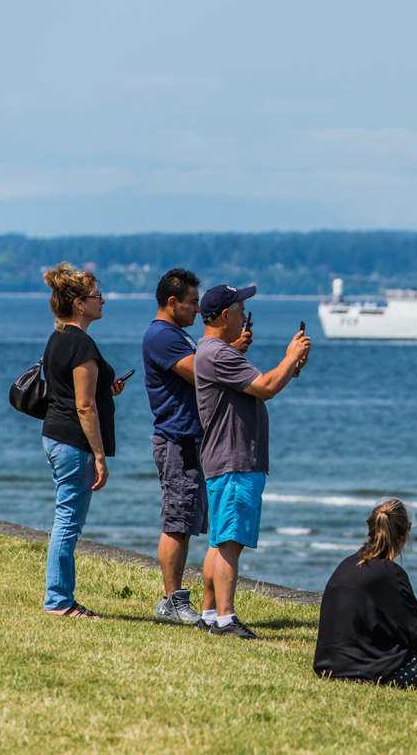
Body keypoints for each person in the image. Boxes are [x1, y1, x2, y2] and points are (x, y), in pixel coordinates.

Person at [195, 284, 310, 639]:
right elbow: (267, 387)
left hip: (227, 459)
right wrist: (291, 357)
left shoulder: (215, 351)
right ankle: (226, 619)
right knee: (230, 540)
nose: (245, 317)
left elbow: (265, 385)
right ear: (225, 315)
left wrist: (289, 367)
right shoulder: (220, 354)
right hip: (235, 460)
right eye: (241, 310)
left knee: (220, 539)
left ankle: (211, 613)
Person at [142, 268, 253, 627]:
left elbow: (207, 370)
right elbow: (203, 374)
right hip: (179, 439)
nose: (197, 309)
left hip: (190, 439)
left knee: (188, 519)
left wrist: (229, 350)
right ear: (172, 302)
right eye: (192, 303)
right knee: (177, 520)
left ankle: (179, 600)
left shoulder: (177, 335)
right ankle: (171, 600)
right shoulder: (162, 336)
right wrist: (230, 352)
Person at [39, 262, 127, 618]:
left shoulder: (58, 338)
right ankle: (58, 601)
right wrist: (100, 456)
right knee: (68, 521)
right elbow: (84, 405)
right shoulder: (82, 343)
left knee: (66, 517)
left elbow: (75, 391)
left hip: (55, 435)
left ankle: (59, 597)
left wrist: (108, 390)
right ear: (79, 303)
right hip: (73, 442)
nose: (102, 301)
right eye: (97, 296)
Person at [313, 499, 417, 686]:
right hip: (369, 675)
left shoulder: (348, 564)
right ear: (404, 534)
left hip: (330, 667)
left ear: (370, 530)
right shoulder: (391, 575)